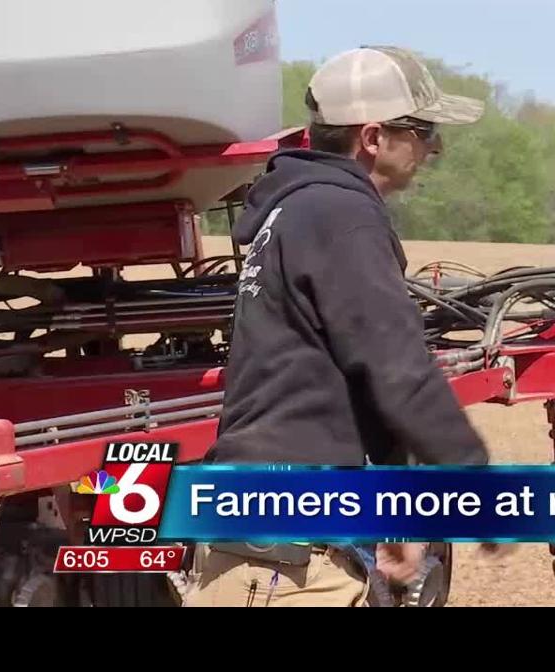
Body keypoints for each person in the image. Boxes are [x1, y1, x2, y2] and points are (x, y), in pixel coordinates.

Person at [183, 46, 491, 607]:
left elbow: (351, 379)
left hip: (263, 541)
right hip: (287, 566)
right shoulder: (341, 215)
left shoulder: (297, 209)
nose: (434, 148)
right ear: (372, 138)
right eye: (422, 131)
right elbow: (398, 370)